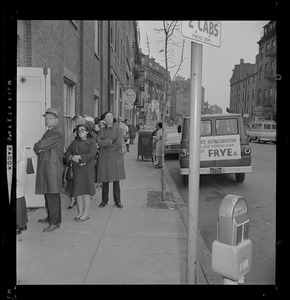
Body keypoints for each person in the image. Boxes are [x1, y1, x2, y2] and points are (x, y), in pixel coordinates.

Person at [34, 108, 64, 233]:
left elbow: (40, 145)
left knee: (52, 194)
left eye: (50, 118)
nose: (47, 120)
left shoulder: (58, 132)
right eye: (46, 118)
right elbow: (38, 147)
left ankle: (55, 222)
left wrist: (39, 146)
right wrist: (39, 147)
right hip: (46, 166)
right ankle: (51, 217)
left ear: (56, 120)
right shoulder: (49, 132)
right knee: (48, 193)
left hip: (53, 167)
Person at [64, 123, 98, 222]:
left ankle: (86, 213)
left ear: (87, 132)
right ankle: (80, 212)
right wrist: (70, 157)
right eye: (79, 130)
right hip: (77, 169)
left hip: (87, 169)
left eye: (83, 130)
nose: (80, 132)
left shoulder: (91, 142)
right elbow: (67, 152)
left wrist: (79, 157)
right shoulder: (74, 142)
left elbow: (92, 154)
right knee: (78, 192)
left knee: (86, 192)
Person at [97, 112, 126, 208]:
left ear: (113, 118)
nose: (109, 119)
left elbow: (119, 143)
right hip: (105, 157)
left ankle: (117, 201)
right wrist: (110, 142)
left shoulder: (118, 129)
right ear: (104, 119)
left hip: (115, 157)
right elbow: (99, 142)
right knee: (105, 180)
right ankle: (104, 201)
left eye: (110, 117)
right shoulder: (101, 130)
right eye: (107, 117)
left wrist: (107, 146)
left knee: (116, 180)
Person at [65, 115, 86, 209]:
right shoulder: (73, 132)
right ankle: (73, 200)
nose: (74, 124)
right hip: (73, 160)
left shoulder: (85, 132)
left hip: (82, 161)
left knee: (80, 182)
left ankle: (81, 200)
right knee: (72, 181)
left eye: (75, 122)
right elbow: (67, 144)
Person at [16, 128, 28, 235]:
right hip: (16, 168)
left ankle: (17, 225)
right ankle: (23, 222)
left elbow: (16, 155)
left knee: (17, 197)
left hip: (15, 168)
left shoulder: (15, 132)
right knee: (19, 196)